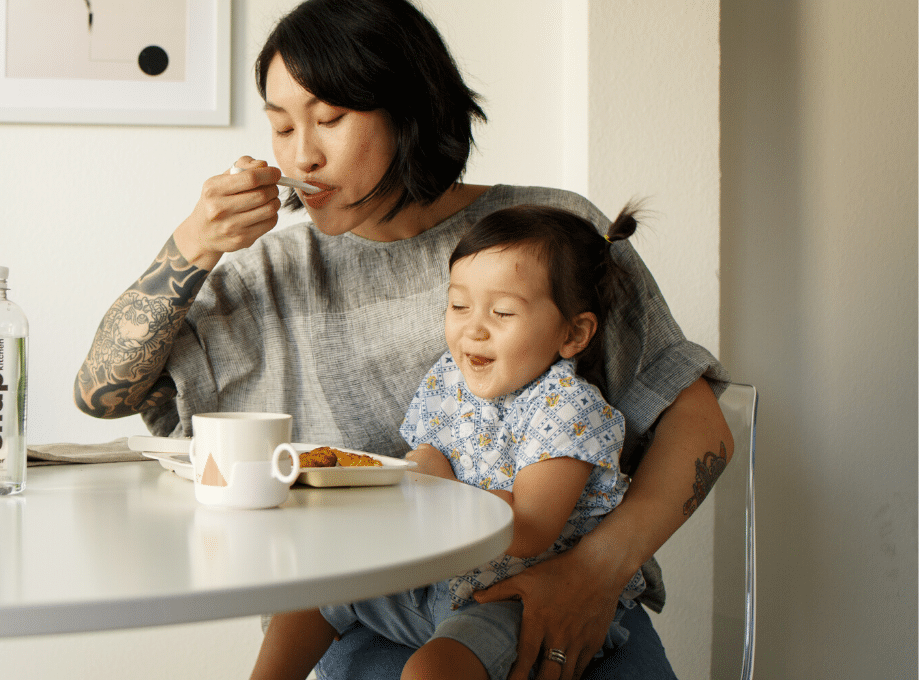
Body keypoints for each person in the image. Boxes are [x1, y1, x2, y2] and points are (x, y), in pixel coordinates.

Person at [72, 1, 733, 678]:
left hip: (565, 606)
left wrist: (594, 573)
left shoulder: (545, 237)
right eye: (280, 126)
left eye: (330, 118)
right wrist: (191, 246)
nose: (302, 153)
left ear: (409, 108)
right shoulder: (266, 275)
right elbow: (100, 393)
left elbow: (700, 427)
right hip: (368, 615)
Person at [250, 204, 649, 680]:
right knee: (313, 586)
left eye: (502, 312)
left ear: (573, 333)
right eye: (459, 306)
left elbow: (528, 528)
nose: (473, 327)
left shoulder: (568, 408)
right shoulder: (449, 379)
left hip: (513, 596)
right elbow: (426, 455)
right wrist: (404, 480)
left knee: (432, 669)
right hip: (434, 578)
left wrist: (431, 491)